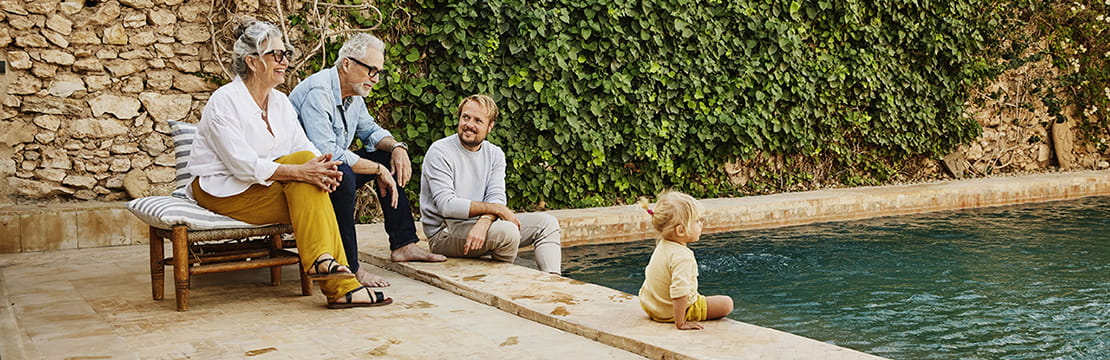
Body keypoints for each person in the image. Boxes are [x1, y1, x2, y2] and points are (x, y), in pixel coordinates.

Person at [187, 20, 391, 308]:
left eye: (287, 54)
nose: (285, 61)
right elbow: (242, 165)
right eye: (277, 55)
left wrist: (322, 169)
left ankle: (328, 268)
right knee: (304, 174)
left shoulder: (280, 102)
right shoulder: (224, 101)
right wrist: (303, 170)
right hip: (224, 190)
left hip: (268, 187)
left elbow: (304, 148)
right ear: (252, 62)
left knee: (313, 177)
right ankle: (339, 283)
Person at [290, 33, 445, 288]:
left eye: (379, 72)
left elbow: (371, 131)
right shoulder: (318, 92)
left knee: (386, 156)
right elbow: (327, 153)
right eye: (371, 70)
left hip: (331, 169)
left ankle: (404, 244)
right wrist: (376, 169)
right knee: (343, 173)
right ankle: (351, 268)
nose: (375, 78)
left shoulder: (354, 96)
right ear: (347, 64)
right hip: (304, 176)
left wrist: (396, 147)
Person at [419, 94, 562, 274]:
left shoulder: (495, 154)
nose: (469, 124)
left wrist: (485, 221)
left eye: (478, 120)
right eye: (465, 117)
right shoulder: (440, 151)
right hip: (444, 232)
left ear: (490, 126)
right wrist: (497, 210)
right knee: (508, 232)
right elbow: (446, 206)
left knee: (547, 224)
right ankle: (503, 279)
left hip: (483, 225)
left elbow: (496, 197)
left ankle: (553, 280)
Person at [638, 191, 733, 329]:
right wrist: (681, 322)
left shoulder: (663, 245)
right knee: (726, 303)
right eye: (697, 221)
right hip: (669, 312)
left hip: (651, 307)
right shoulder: (683, 257)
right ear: (681, 230)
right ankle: (679, 317)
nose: (701, 224)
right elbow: (680, 292)